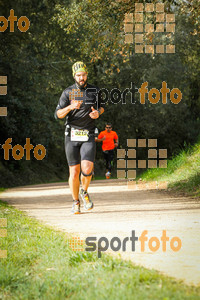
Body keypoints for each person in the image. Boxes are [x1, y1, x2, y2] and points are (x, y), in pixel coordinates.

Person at [55, 61, 104, 214]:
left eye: (83, 75)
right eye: (78, 75)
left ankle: (84, 191)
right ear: (74, 76)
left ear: (86, 74)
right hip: (72, 135)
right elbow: (58, 114)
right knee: (74, 172)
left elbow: (101, 107)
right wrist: (70, 107)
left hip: (88, 133)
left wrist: (98, 113)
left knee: (87, 168)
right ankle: (76, 202)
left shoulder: (95, 91)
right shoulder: (67, 92)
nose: (81, 78)